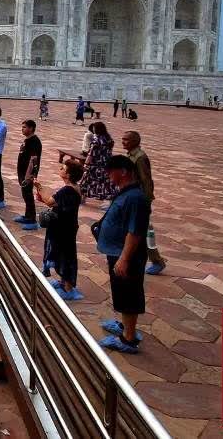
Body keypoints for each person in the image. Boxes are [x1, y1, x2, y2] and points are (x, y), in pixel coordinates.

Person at [96, 155, 151, 354]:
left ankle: (128, 338)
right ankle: (126, 326)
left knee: (129, 294)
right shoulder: (126, 193)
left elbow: (135, 231)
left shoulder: (135, 198)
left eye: (111, 171)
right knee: (122, 292)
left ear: (124, 171)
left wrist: (124, 258)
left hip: (126, 255)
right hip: (117, 251)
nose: (108, 175)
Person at [34, 162, 84, 300]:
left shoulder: (68, 190)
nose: (60, 169)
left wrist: (40, 187)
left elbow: (50, 201)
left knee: (65, 255)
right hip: (67, 226)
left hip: (64, 228)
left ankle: (68, 288)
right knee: (62, 253)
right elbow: (56, 203)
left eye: (64, 169)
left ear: (68, 174)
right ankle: (63, 282)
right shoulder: (72, 188)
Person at [122, 131, 168, 275]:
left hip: (139, 200)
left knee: (144, 231)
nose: (123, 142)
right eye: (122, 139)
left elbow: (146, 180)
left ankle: (157, 261)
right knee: (129, 229)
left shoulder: (140, 158)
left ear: (135, 141)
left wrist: (146, 201)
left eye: (126, 140)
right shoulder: (131, 155)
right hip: (130, 197)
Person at [13, 119, 43, 230]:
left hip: (27, 174)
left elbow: (33, 159)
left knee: (28, 196)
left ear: (31, 128)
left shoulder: (34, 141)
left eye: (25, 127)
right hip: (22, 172)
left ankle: (32, 220)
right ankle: (27, 215)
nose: (22, 129)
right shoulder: (27, 140)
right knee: (25, 195)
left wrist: (28, 176)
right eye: (22, 127)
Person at [78, 122, 116, 201]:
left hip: (95, 164)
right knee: (106, 183)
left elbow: (91, 154)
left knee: (85, 181)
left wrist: (85, 165)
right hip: (106, 164)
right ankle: (110, 200)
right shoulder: (108, 139)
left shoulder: (96, 141)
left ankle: (82, 198)